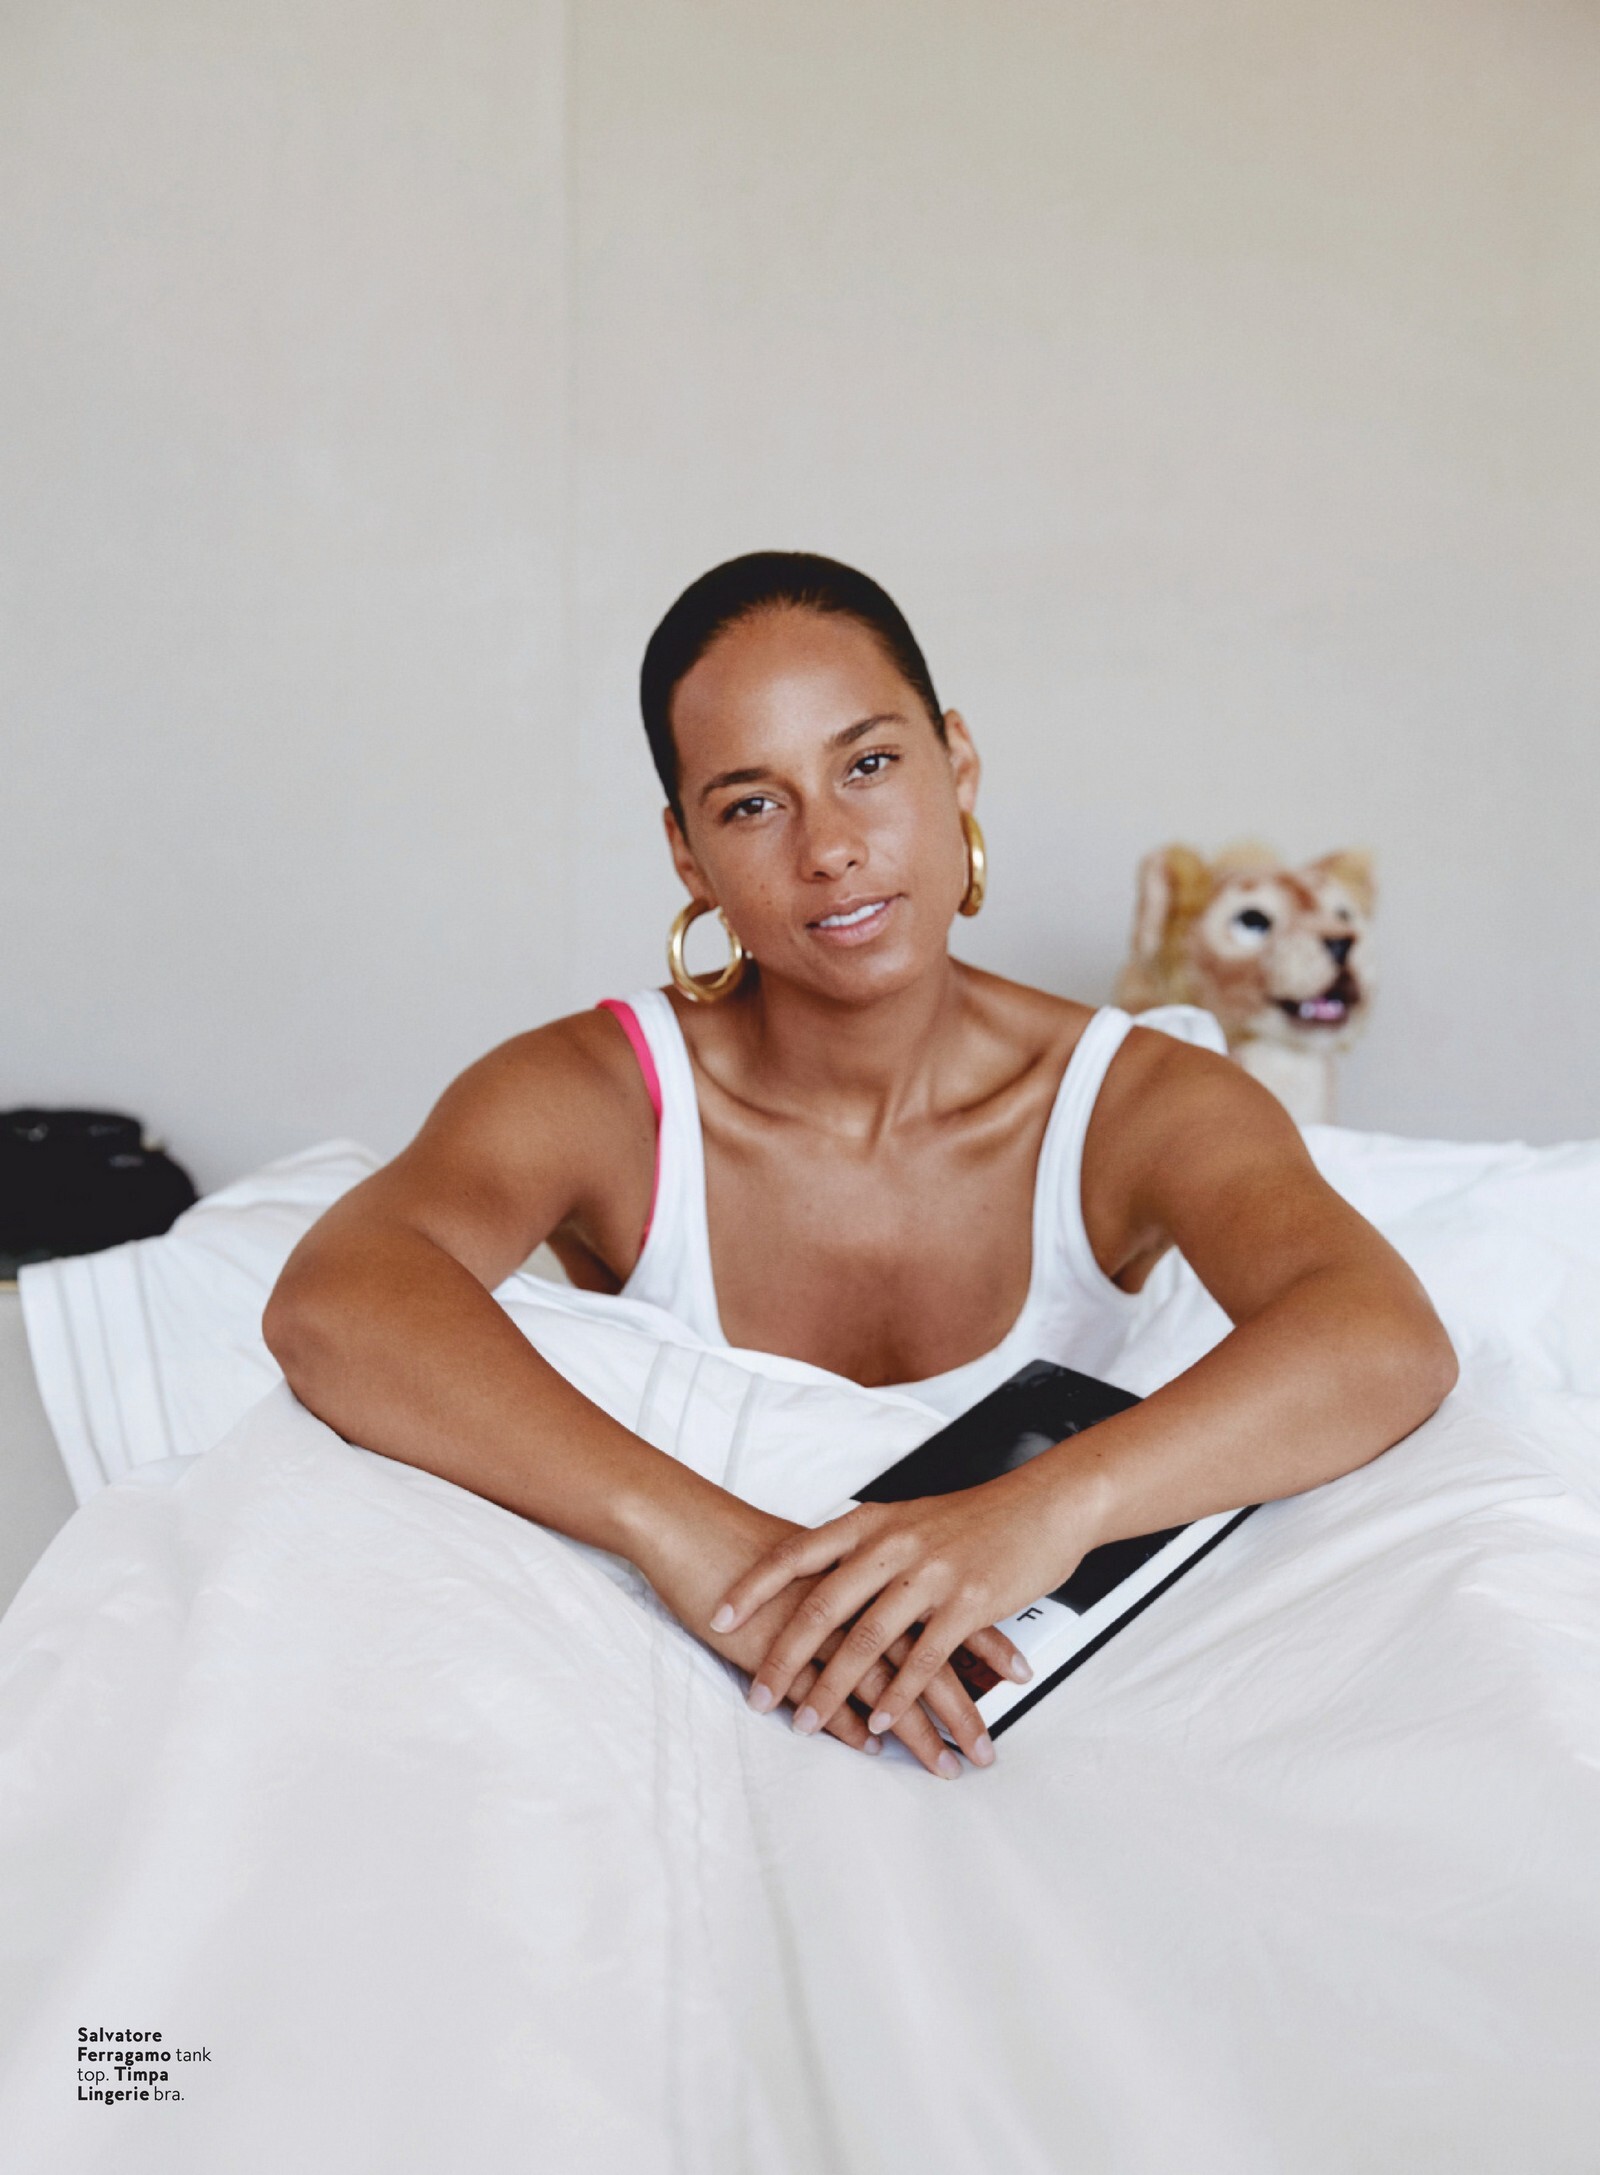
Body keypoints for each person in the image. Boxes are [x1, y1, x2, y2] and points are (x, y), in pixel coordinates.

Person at [263, 551, 1457, 1781]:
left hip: (1006, 1744)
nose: (830, 847)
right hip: (695, 1725)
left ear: (958, 764)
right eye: (751, 804)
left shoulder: (1137, 1100)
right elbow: (336, 1297)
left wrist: (1041, 1512)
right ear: (688, 857)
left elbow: (1381, 1337)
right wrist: (700, 1543)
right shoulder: (600, 1093)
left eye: (869, 765)